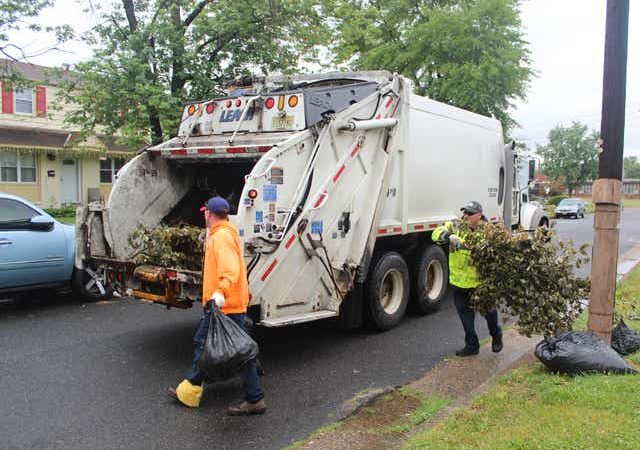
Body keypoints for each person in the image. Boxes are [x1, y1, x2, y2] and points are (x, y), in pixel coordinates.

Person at [169, 196, 266, 415]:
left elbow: (230, 269)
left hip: (224, 305)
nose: (204, 215)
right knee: (236, 351)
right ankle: (252, 395)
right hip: (229, 303)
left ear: (209, 214)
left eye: (205, 212)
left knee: (206, 345)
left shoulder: (220, 237)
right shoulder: (225, 233)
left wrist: (219, 293)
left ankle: (192, 390)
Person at [432, 201, 503, 357]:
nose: (465, 216)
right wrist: (449, 236)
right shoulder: (455, 225)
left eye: (469, 214)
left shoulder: (489, 231)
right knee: (466, 318)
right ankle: (472, 345)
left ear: (479, 215)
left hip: (481, 284)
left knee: (490, 314)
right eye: (464, 213)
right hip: (459, 283)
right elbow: (436, 233)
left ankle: (496, 335)